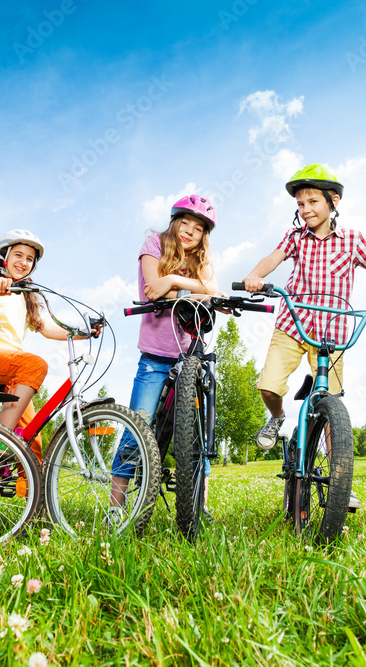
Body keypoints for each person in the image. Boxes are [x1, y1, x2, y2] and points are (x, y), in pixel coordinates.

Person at [242, 164, 366, 511]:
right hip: (293, 324)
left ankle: (341, 482)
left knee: (333, 404)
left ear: (333, 201)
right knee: (268, 386)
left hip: (333, 334)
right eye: (300, 204)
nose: (305, 209)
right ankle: (277, 417)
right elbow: (272, 258)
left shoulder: (353, 240)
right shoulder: (295, 238)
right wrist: (254, 276)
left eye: (312, 201)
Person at [108, 195, 219, 522]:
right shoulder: (154, 243)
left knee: (199, 431)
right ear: (174, 221)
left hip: (191, 354)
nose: (189, 231)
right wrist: (183, 286)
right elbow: (153, 290)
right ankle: (116, 506)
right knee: (138, 424)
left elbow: (214, 290)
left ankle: (199, 503)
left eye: (197, 229)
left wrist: (174, 280)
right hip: (156, 355)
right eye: (184, 222)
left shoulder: (201, 258)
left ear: (203, 236)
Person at [0, 229, 96, 462]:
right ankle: (0, 441)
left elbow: (45, 328)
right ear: (5, 256)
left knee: (32, 436)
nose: (24, 262)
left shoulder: (25, 293)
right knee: (35, 364)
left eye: (29, 259)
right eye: (18, 255)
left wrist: (84, 333)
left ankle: (36, 496)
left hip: (13, 368)